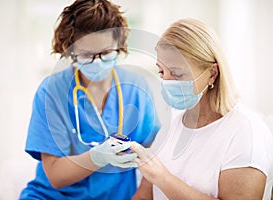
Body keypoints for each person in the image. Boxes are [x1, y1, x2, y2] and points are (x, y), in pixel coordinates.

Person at [19, 0, 160, 199]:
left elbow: (152, 155)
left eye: (106, 52)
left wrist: (141, 196)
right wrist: (97, 157)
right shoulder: (52, 92)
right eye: (87, 55)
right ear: (70, 50)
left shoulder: (137, 89)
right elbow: (56, 177)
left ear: (119, 45)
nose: (98, 61)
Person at [131, 18, 273, 200]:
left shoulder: (246, 131)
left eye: (177, 73)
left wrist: (163, 178)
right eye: (161, 72)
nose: (166, 82)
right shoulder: (173, 123)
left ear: (212, 73)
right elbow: (144, 196)